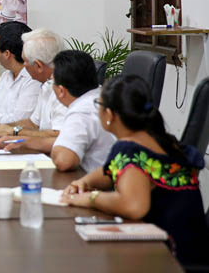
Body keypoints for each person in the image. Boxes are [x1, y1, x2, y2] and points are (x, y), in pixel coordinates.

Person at [61, 75, 209, 266]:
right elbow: (111, 171)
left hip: (172, 259)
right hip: (194, 251)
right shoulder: (161, 140)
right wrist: (84, 181)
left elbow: (134, 206)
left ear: (110, 115)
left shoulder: (129, 148)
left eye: (99, 104)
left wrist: (90, 198)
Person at [0, 50, 115, 172]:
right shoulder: (99, 96)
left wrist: (26, 140)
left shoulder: (81, 112)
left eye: (52, 82)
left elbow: (64, 161)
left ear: (60, 91)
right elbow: (66, 142)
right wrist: (24, 142)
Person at [0, 28, 67, 140]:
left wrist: (13, 132)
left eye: (25, 61)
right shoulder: (46, 85)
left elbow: (59, 136)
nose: (23, 65)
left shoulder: (66, 89)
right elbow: (33, 124)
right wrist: (2, 126)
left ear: (38, 66)